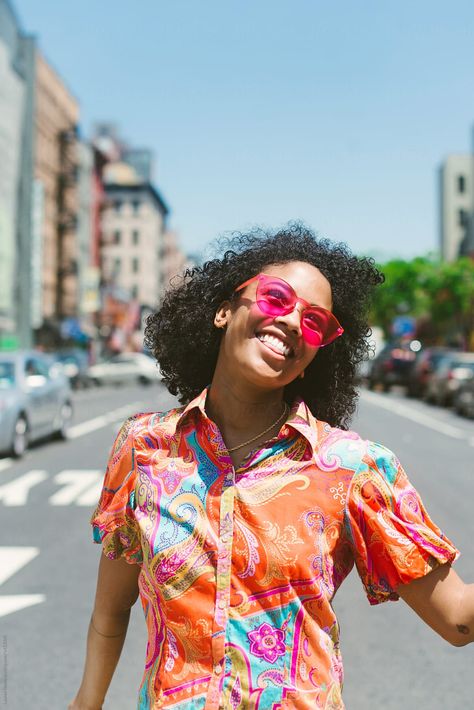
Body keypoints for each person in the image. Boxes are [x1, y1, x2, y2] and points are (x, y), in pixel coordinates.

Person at [69, 224, 473, 710]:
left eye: (315, 323)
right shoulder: (144, 447)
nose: (291, 322)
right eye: (276, 297)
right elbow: (110, 613)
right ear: (223, 310)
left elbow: (457, 619)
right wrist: (85, 703)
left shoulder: (354, 468)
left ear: (314, 356)